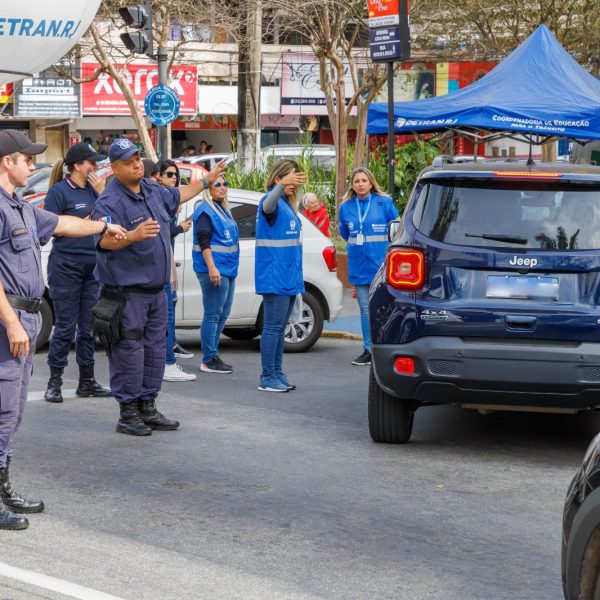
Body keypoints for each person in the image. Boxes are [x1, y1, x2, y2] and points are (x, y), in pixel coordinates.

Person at [0, 130, 126, 530]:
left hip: (26, 317)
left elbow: (65, 224)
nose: (33, 165)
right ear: (6, 162)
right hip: (8, 320)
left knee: (13, 411)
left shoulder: (20, 207)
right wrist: (11, 323)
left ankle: (3, 487)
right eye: (26, 159)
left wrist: (102, 227)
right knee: (2, 410)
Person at [91, 138, 226, 436]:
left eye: (137, 158)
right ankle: (128, 413)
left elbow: (178, 195)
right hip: (127, 294)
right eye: (128, 162)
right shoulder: (109, 201)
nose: (136, 164)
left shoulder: (151, 189)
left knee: (154, 351)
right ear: (114, 168)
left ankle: (147, 407)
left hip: (156, 291)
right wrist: (132, 236)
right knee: (129, 352)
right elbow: (102, 241)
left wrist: (207, 181)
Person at [43, 143, 113, 403]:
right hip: (66, 268)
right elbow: (50, 227)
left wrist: (103, 193)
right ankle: (54, 382)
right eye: (90, 162)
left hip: (92, 268)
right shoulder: (59, 191)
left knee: (87, 329)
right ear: (75, 166)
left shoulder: (97, 190)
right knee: (64, 327)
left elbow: (111, 221)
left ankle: (87, 381)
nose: (95, 167)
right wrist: (82, 224)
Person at [255, 159, 307, 392]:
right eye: (290, 178)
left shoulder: (287, 204)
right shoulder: (271, 201)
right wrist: (281, 185)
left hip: (288, 277)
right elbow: (267, 206)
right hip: (274, 276)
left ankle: (277, 372)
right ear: (278, 179)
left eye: (296, 179)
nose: (294, 184)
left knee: (280, 328)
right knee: (273, 328)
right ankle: (268, 377)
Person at [338, 167, 398, 366]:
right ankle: (368, 350)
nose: (361, 184)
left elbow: (397, 229)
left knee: (385, 308)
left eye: (364, 180)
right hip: (359, 265)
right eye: (357, 181)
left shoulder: (384, 203)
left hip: (381, 266)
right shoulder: (345, 207)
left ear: (371, 183)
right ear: (352, 186)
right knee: (365, 309)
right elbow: (345, 232)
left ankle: (387, 347)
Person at [192, 175, 239, 373]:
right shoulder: (205, 210)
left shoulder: (223, 209)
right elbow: (204, 241)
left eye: (225, 183)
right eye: (217, 184)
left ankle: (213, 354)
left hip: (228, 269)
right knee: (212, 315)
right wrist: (212, 267)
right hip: (214, 270)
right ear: (208, 189)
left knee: (223, 314)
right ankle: (209, 359)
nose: (223, 187)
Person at [156, 159, 195, 382]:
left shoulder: (171, 199)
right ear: (158, 177)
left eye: (176, 175)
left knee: (169, 310)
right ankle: (167, 362)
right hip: (160, 266)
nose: (174, 178)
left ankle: (170, 351)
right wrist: (179, 227)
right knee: (166, 314)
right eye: (169, 174)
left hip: (168, 262)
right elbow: (161, 232)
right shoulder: (157, 199)